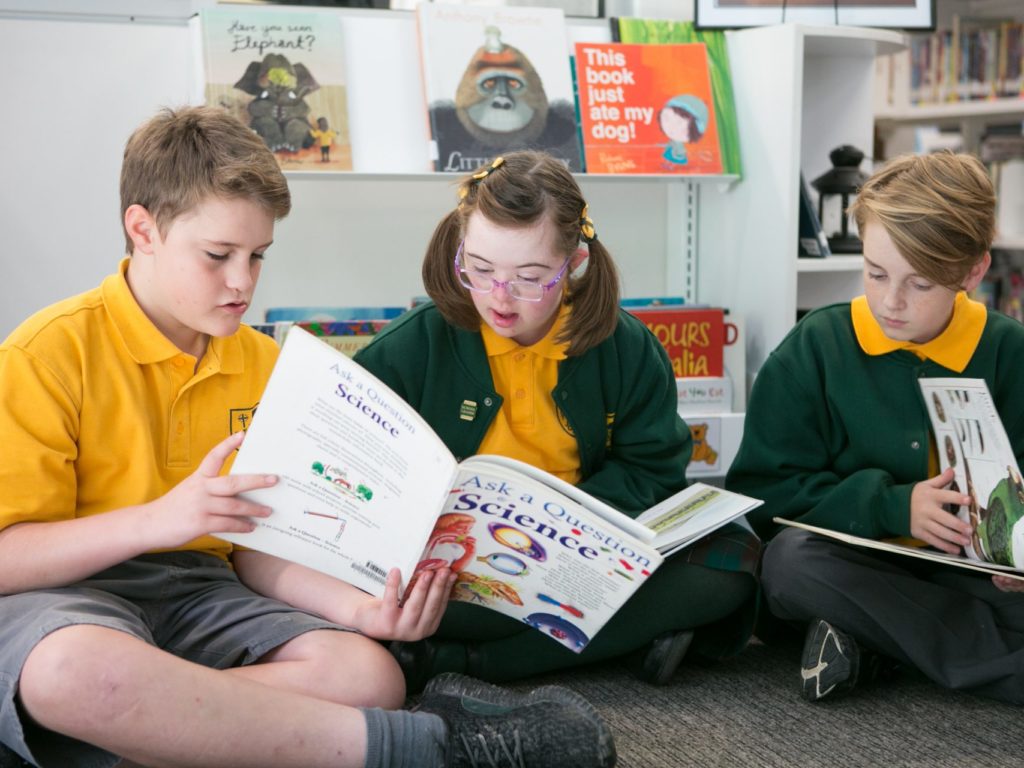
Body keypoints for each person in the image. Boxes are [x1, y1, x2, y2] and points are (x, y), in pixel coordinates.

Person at [0, 107, 616, 768]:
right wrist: (156, 521)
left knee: (368, 673)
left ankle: (123, 734)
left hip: (203, 591)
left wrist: (361, 610)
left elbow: (259, 553)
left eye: (258, 255)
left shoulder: (268, 365)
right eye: (217, 256)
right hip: (68, 597)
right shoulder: (46, 353)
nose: (242, 282)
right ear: (142, 229)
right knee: (71, 670)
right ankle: (429, 747)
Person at [354, 150, 759, 691]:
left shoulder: (627, 347)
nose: (498, 296)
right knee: (402, 597)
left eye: (529, 277)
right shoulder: (412, 346)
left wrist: (579, 524)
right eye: (479, 269)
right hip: (456, 569)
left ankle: (456, 663)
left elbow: (654, 470)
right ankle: (618, 639)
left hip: (584, 554)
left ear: (575, 263)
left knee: (731, 565)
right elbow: (358, 471)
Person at [726, 151, 1024, 705]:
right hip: (849, 568)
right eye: (875, 273)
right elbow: (763, 497)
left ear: (973, 272)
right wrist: (892, 506)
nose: (891, 301)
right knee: (788, 565)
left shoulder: (1010, 351)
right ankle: (1000, 667)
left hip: (965, 576)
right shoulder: (815, 347)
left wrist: (1017, 553)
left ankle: (873, 646)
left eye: (921, 285)